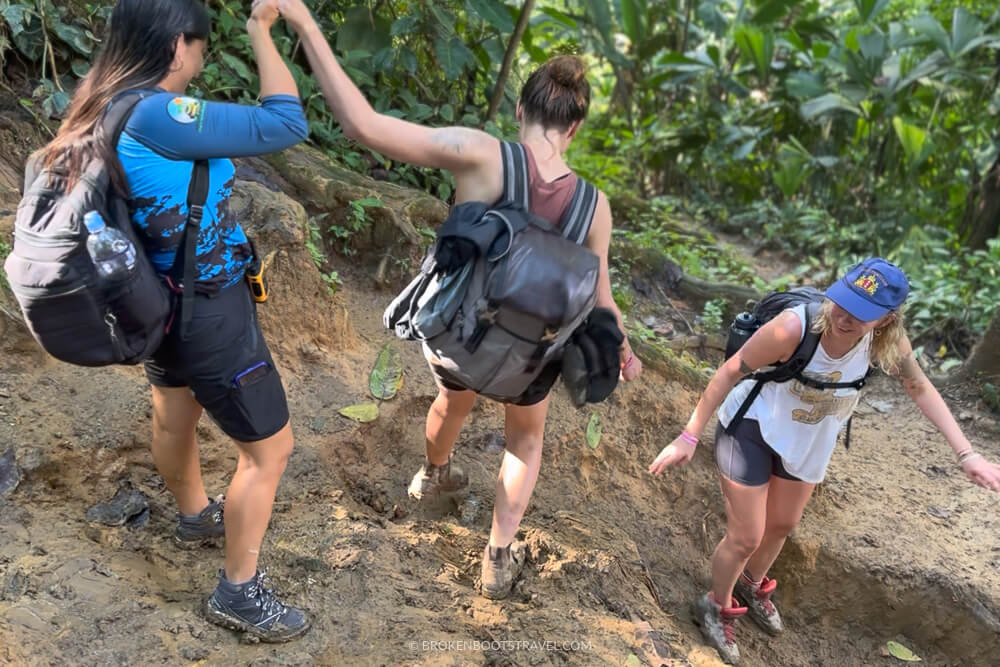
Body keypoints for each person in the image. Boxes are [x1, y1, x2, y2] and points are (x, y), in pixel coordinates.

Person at [275, 0, 642, 599]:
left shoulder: (481, 153)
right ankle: (498, 555)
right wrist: (623, 351)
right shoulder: (595, 206)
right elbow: (602, 301)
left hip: (456, 337)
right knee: (526, 439)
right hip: (529, 365)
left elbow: (363, 126)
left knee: (454, 397)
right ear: (574, 127)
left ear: (520, 109)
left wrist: (307, 24)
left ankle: (432, 477)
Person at [37, 0, 311, 642]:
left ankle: (194, 515)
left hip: (150, 298)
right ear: (178, 45)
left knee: (174, 406)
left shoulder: (96, 102)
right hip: (206, 308)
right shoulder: (158, 112)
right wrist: (263, 31)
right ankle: (238, 594)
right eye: (202, 45)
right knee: (270, 451)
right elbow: (286, 120)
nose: (202, 59)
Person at [647, 258, 1000, 664]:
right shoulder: (793, 328)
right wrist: (689, 436)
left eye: (861, 315)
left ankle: (751, 582)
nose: (844, 319)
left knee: (782, 525)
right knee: (747, 535)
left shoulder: (887, 346)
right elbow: (729, 373)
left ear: (886, 320)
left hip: (809, 440)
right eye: (842, 303)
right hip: (752, 428)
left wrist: (967, 454)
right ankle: (715, 604)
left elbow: (920, 388)